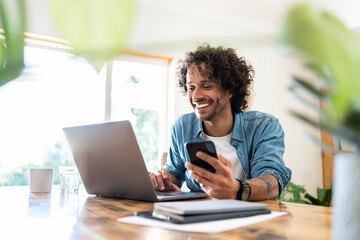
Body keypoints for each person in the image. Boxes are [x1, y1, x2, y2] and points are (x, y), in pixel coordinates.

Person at [150, 43, 292, 201]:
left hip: (250, 217)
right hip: (200, 217)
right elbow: (175, 173)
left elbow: (272, 181)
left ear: (230, 90)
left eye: (206, 86)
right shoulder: (182, 127)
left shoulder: (264, 126)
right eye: (191, 87)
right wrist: (161, 182)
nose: (195, 96)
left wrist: (237, 189)